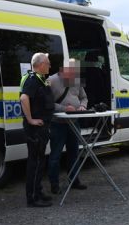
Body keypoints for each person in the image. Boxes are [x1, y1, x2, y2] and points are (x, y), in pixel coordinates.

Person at [47, 59, 88, 194]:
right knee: (55, 155)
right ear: (62, 70)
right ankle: (54, 184)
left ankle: (74, 180)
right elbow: (46, 104)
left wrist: (82, 106)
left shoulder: (77, 79)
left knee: (74, 153)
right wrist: (64, 108)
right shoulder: (51, 81)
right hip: (58, 124)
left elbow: (84, 97)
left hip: (74, 123)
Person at [20, 53, 55, 207]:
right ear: (40, 64)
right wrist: (30, 119)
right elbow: (24, 98)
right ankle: (33, 198)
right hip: (35, 129)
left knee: (40, 161)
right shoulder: (32, 80)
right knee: (35, 162)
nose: (49, 66)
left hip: (41, 128)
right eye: (47, 63)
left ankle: (38, 191)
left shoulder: (40, 79)